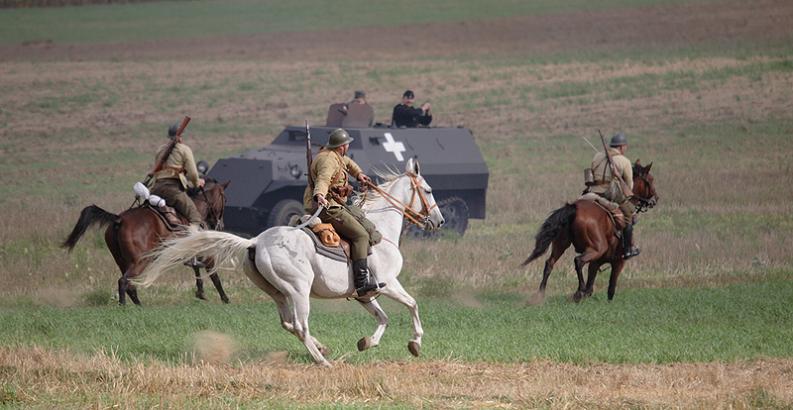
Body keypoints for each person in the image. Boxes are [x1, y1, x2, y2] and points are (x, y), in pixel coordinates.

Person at [302, 128, 383, 297]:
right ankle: (361, 283)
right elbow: (324, 179)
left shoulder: (334, 155)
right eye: (347, 145)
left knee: (363, 220)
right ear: (341, 147)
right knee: (361, 235)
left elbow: (348, 163)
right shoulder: (328, 161)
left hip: (335, 204)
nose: (348, 147)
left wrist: (359, 174)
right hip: (328, 207)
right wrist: (320, 195)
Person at [585, 132, 640, 259]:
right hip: (609, 192)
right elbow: (629, 185)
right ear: (621, 147)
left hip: (593, 190)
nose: (625, 149)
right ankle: (628, 249)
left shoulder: (597, 156)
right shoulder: (624, 161)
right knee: (630, 213)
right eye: (625, 147)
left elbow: (591, 173)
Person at [150, 123, 206, 229]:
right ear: (181, 136)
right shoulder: (184, 149)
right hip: (172, 190)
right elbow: (193, 174)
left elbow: (166, 171)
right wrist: (197, 182)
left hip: (155, 189)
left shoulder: (160, 150)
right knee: (195, 218)